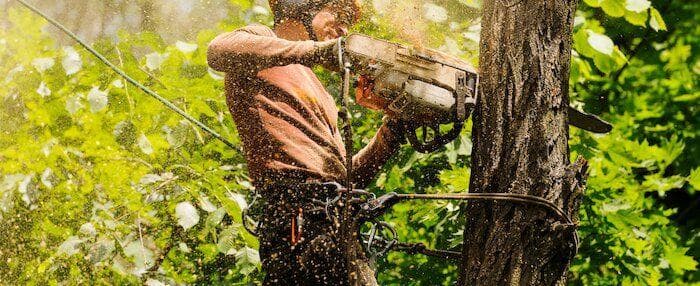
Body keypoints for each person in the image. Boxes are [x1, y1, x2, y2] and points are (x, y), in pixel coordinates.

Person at [207, 0, 405, 284]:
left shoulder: (319, 90)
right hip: (295, 213)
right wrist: (316, 52)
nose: (345, 28)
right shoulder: (260, 41)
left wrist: (394, 128)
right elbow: (217, 50)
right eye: (339, 15)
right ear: (302, 6)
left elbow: (345, 176)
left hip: (334, 220)